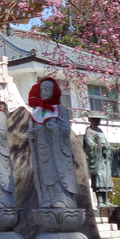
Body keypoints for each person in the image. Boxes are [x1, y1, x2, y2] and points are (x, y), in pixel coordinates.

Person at [26, 77, 78, 209]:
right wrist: (31, 135)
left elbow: (66, 130)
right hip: (41, 150)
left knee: (57, 174)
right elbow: (34, 130)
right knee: (44, 175)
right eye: (42, 90)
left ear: (54, 91)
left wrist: (55, 129)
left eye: (47, 89)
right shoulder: (36, 112)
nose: (44, 92)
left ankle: (61, 199)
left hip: (57, 151)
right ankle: (47, 197)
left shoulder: (60, 109)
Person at [84, 117, 114, 208]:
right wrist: (100, 147)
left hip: (104, 159)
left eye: (99, 120)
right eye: (96, 120)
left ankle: (107, 200)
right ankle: (100, 201)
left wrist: (111, 148)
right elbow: (90, 144)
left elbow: (106, 143)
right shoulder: (89, 131)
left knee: (106, 180)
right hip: (97, 159)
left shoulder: (100, 130)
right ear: (91, 120)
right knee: (99, 180)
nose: (98, 122)